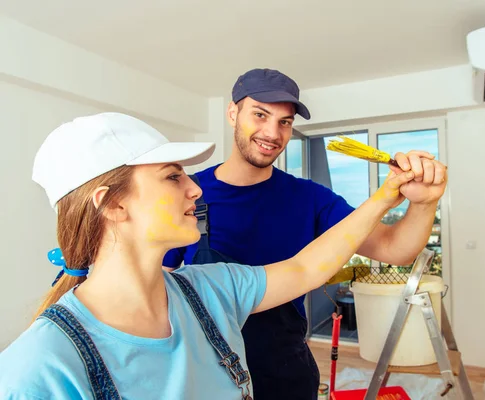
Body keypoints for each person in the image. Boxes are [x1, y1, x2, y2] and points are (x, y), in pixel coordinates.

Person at [0, 112, 417, 399]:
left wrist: (387, 195)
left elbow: (306, 267)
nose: (195, 189)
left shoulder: (212, 288)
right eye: (172, 176)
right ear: (112, 205)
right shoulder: (41, 368)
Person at [162, 68, 448, 399]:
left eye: (285, 121)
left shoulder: (310, 197)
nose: (272, 132)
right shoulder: (188, 193)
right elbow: (161, 285)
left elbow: (395, 249)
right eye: (260, 114)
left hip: (285, 372)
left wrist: (425, 204)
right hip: (206, 374)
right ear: (232, 113)